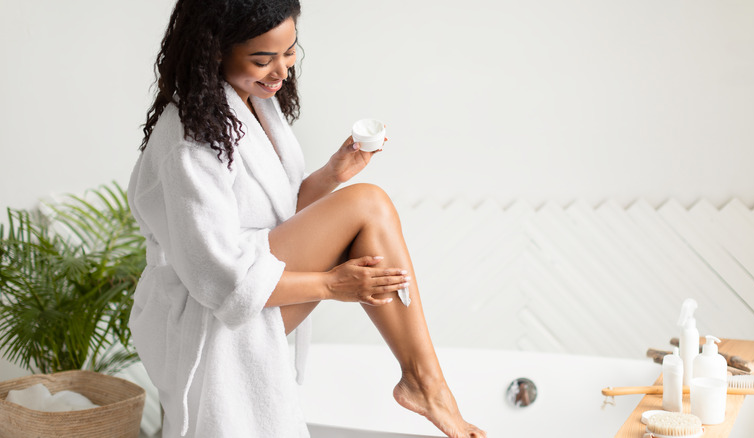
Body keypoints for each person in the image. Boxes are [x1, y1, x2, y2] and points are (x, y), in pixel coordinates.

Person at [128, 0, 486, 437]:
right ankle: (427, 386)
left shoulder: (252, 102)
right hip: (205, 313)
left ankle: (426, 383)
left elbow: (275, 216)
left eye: (289, 51)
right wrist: (333, 285)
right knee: (367, 204)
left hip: (251, 282)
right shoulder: (190, 138)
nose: (280, 71)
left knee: (366, 203)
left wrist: (331, 174)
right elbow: (218, 280)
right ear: (214, 52)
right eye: (263, 59)